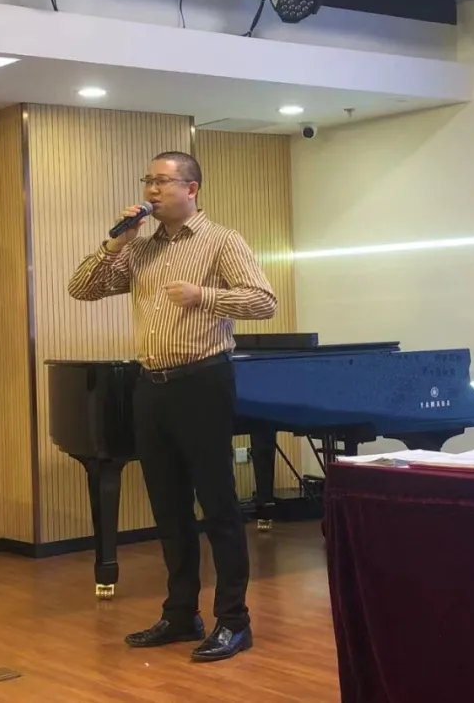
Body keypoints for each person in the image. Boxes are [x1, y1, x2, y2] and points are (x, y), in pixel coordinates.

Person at [68, 151, 276, 662]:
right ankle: (182, 613)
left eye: (162, 181)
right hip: (150, 386)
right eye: (148, 181)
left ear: (192, 188)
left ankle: (234, 620)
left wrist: (204, 295)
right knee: (168, 506)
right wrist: (117, 243)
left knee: (218, 505)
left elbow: (263, 300)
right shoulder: (140, 249)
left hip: (202, 381)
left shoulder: (222, 240)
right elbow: (81, 289)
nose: (152, 191)